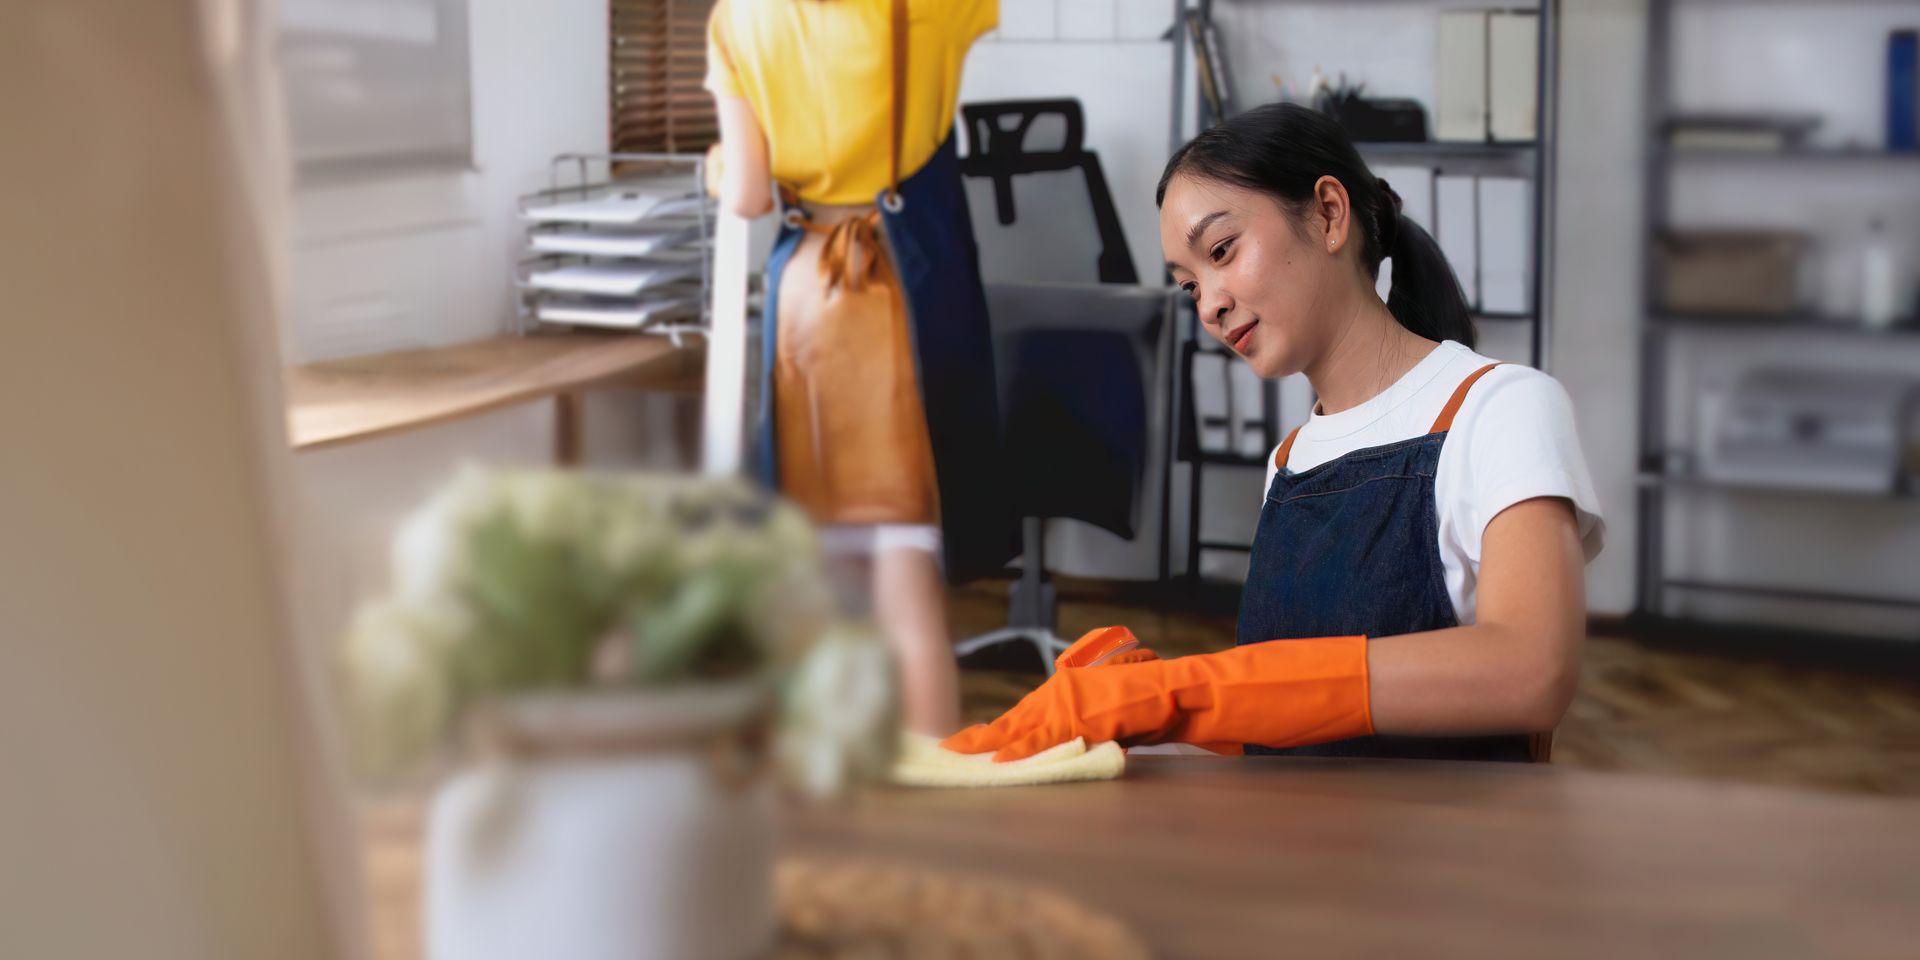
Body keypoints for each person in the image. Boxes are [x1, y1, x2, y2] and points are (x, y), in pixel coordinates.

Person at [947, 104, 1604, 762]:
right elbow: (1290, 724)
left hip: (1444, 857)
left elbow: (1530, 670)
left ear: (1327, 213)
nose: (1208, 303)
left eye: (1222, 251)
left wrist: (1184, 691)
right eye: (1187, 285)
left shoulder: (1499, 408)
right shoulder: (1291, 462)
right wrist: (1141, 714)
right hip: (1289, 852)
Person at [706, 0, 1013, 735]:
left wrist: (718, 166)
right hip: (895, 292)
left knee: (829, 575)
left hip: (806, 295)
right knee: (905, 569)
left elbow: (748, 192)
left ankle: (841, 792)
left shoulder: (736, 21)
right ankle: (931, 778)